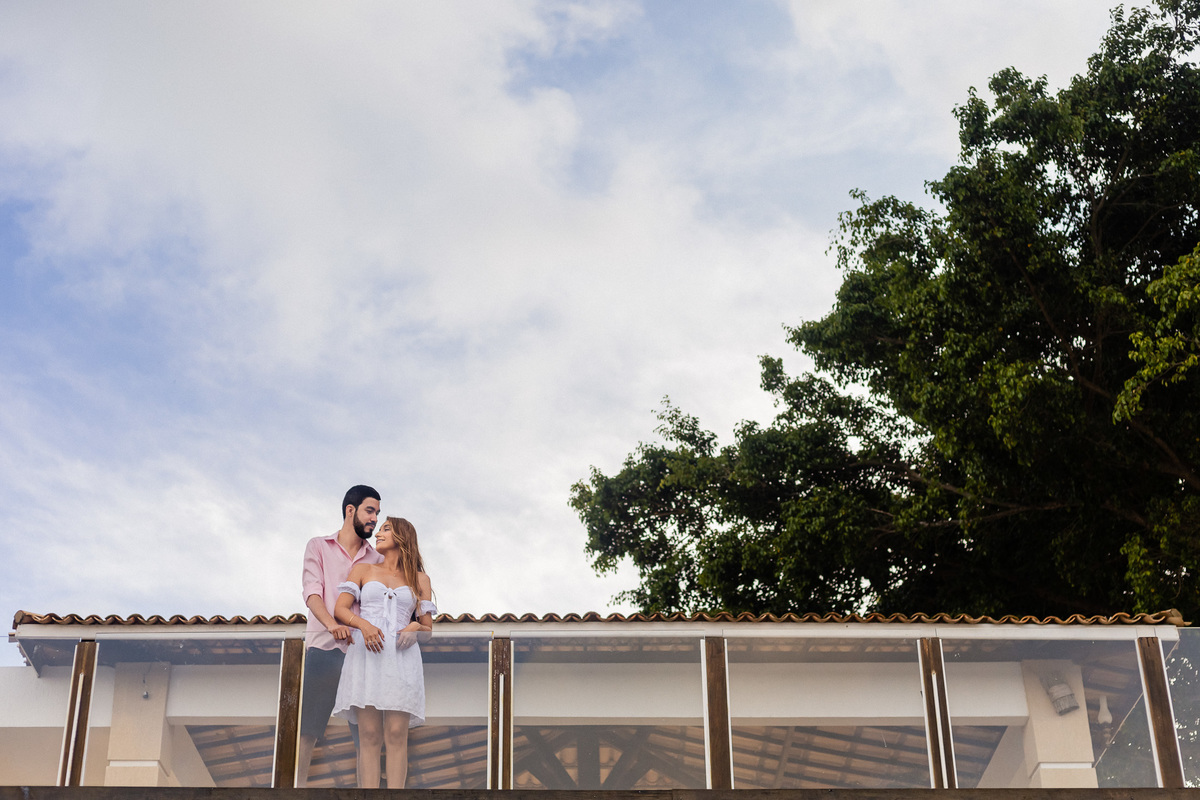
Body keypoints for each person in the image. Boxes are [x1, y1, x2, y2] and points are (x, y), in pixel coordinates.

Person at [332, 516, 436, 789]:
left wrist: (414, 626)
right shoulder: (363, 569)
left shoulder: (420, 579)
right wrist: (363, 625)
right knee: (368, 733)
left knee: (397, 732)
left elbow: (428, 630)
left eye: (385, 529)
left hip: (402, 658)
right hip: (367, 654)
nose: (378, 534)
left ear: (402, 536)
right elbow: (340, 609)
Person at [296, 485, 385, 787]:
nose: (374, 519)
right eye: (369, 511)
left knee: (366, 735)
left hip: (363, 656)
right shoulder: (318, 546)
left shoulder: (377, 559)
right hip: (324, 649)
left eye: (377, 513)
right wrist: (331, 625)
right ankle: (294, 790)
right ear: (350, 510)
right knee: (307, 729)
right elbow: (312, 592)